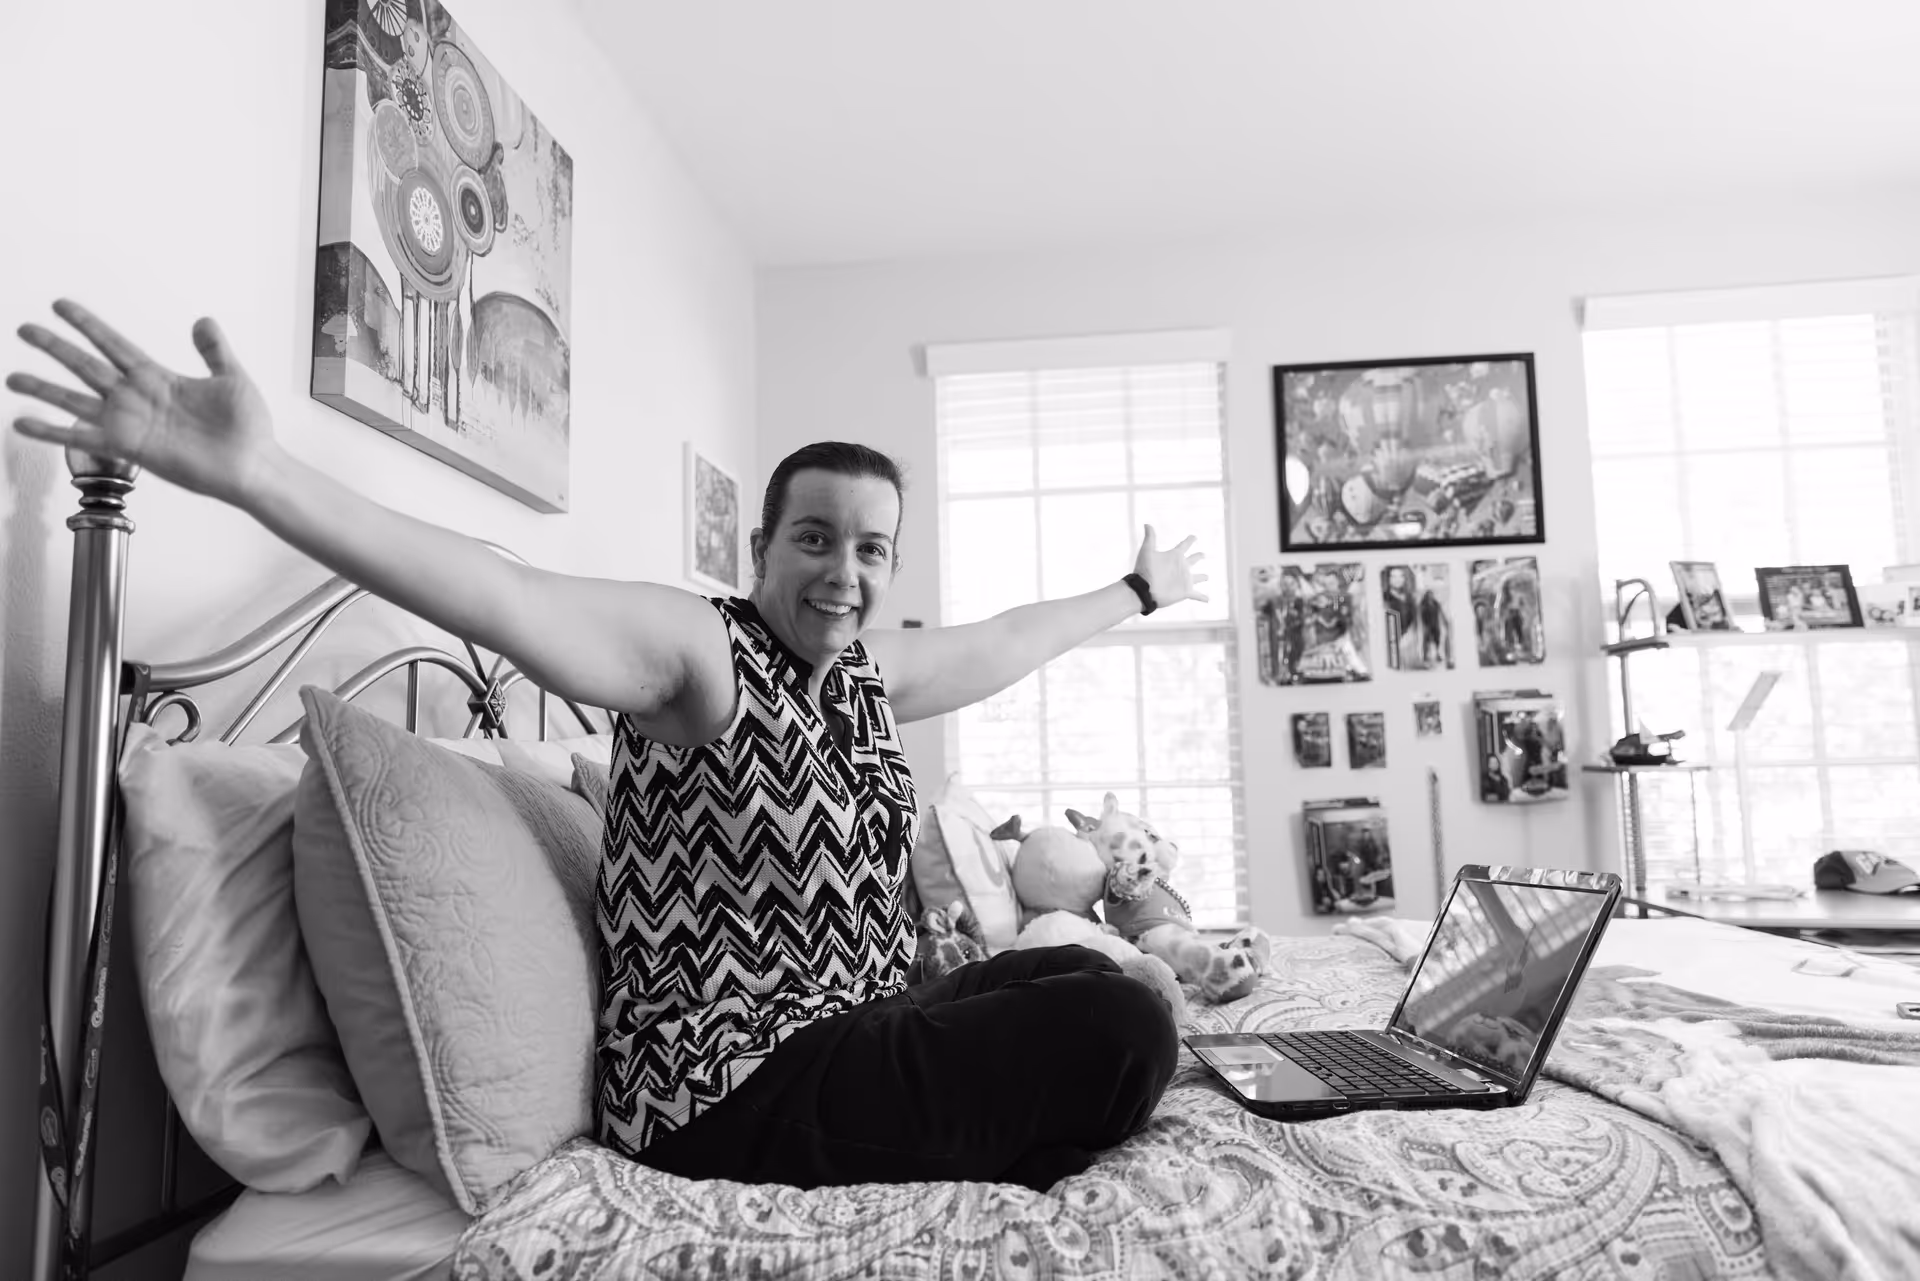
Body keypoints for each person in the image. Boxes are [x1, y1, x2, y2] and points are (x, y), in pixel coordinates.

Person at [8, 300, 1210, 1192]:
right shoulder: (697, 656)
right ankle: (1011, 1147)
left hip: (855, 1021)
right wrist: (259, 473)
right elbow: (500, 596)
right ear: (761, 550)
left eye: (873, 549)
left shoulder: (857, 675)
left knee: (1082, 976)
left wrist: (1136, 591)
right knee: (1125, 1030)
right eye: (814, 539)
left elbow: (1003, 640)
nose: (844, 573)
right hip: (728, 1087)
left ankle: (1005, 1136)